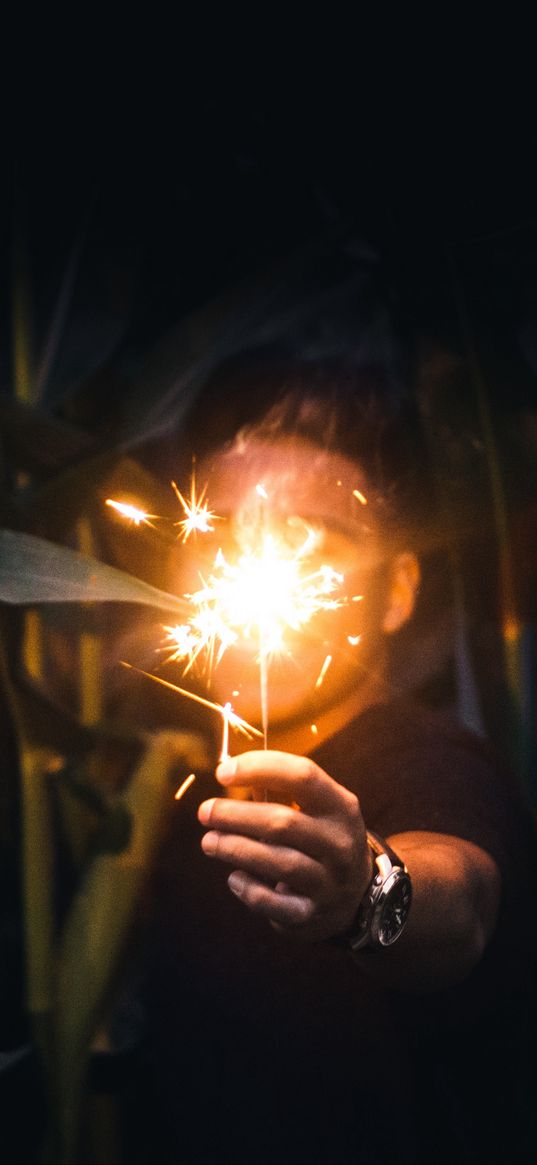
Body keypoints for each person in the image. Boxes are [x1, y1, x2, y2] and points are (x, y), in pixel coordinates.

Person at [131, 357, 537, 1165]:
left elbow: (460, 901)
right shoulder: (182, 776)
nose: (254, 569)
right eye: (227, 534)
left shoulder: (431, 760)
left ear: (395, 590)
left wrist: (365, 893)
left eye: (309, 539)